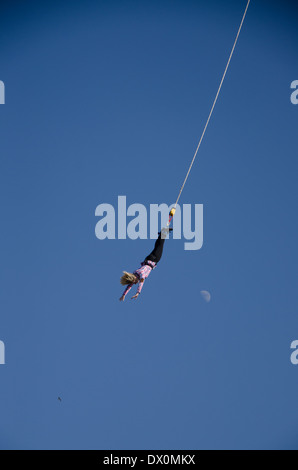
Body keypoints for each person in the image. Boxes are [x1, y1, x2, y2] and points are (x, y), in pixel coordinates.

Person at [119, 227, 172, 301]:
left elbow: (141, 283)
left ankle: (164, 232)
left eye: (134, 283)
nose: (134, 284)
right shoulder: (135, 273)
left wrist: (138, 292)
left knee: (160, 247)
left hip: (154, 260)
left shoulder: (141, 275)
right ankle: (161, 235)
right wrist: (124, 294)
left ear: (134, 279)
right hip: (148, 259)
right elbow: (129, 286)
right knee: (157, 247)